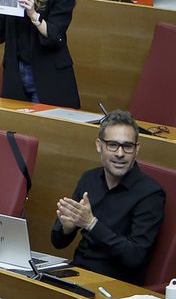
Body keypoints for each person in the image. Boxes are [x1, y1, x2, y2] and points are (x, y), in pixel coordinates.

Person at [51, 109, 166, 285]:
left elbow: (135, 256)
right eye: (112, 145)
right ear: (99, 145)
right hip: (77, 274)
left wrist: (91, 224)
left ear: (137, 150)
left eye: (127, 146)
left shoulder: (150, 194)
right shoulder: (89, 178)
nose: (120, 154)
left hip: (115, 285)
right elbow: (57, 242)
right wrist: (67, 228)